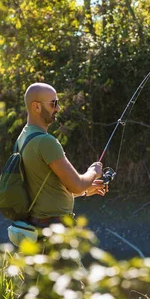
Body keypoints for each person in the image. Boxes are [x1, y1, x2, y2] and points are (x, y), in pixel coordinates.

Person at [17, 82, 107, 229]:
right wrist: (93, 172)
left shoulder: (24, 137)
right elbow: (77, 185)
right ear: (36, 106)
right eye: (54, 103)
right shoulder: (46, 142)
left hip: (34, 225)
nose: (58, 108)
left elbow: (42, 190)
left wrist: (85, 190)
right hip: (53, 228)